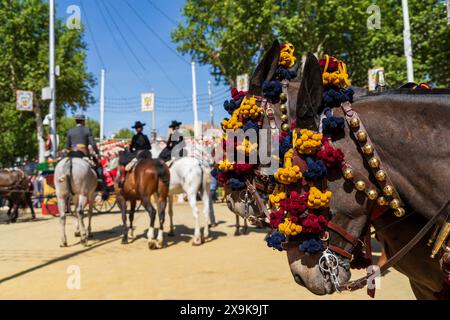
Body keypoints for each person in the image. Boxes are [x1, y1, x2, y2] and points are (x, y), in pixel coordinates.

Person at [66, 114, 108, 198]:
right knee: (98, 167)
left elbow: (68, 146)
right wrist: (97, 153)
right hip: (83, 155)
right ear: (82, 121)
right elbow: (93, 143)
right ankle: (100, 186)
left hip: (71, 154)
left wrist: (75, 148)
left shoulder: (70, 131)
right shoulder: (87, 130)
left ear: (76, 121)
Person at [118, 121, 152, 188]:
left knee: (122, 160)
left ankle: (122, 177)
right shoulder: (145, 137)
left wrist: (131, 149)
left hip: (137, 154)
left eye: (138, 128)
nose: (138, 129)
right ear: (142, 128)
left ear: (136, 129)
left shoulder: (134, 137)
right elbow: (149, 147)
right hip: (147, 154)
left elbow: (131, 148)